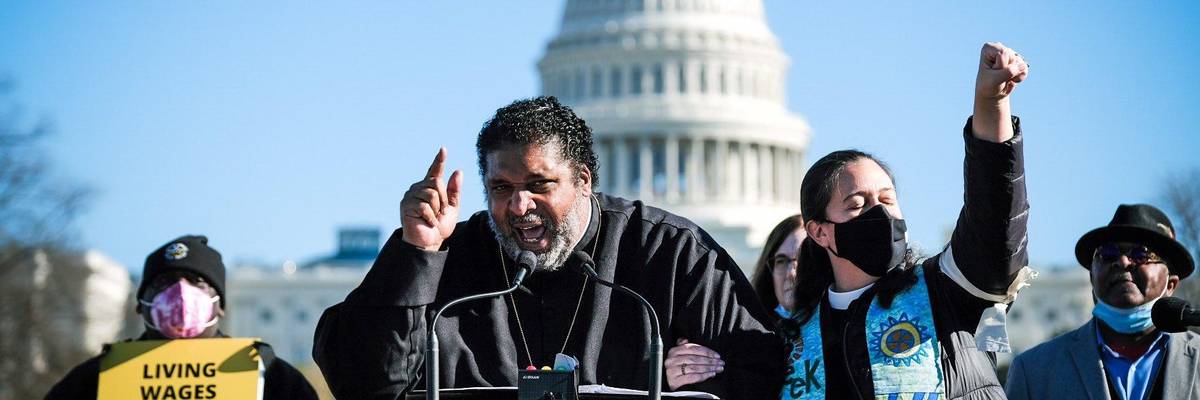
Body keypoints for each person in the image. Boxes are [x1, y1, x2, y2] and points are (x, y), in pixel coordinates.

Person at [312, 96, 782, 399]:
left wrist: (692, 384)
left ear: (583, 182)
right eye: (500, 187)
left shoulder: (673, 253)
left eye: (539, 185)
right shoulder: (446, 257)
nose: (519, 206)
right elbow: (364, 384)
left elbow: (762, 371)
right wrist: (416, 252)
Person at [779, 42, 1033, 400]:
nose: (879, 214)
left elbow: (993, 222)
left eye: (886, 200)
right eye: (857, 205)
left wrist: (991, 103)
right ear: (819, 232)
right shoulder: (793, 341)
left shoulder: (946, 291)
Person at [45, 235, 317, 400]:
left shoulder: (272, 378)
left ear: (220, 304)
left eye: (197, 282)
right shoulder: (95, 379)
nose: (180, 293)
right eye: (164, 282)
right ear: (140, 305)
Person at [1005, 204, 1199, 400]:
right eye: (1108, 253)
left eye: (1141, 254)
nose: (1123, 262)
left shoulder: (1196, 358)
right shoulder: (1034, 371)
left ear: (1170, 285)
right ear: (1091, 278)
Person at [749, 214, 805, 323]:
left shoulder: (843, 329)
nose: (791, 273)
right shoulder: (749, 333)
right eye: (781, 261)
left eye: (802, 259)